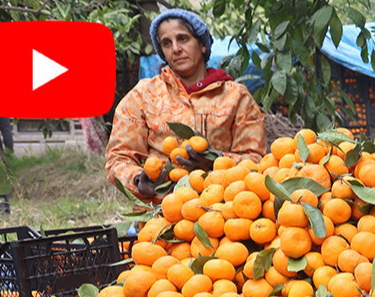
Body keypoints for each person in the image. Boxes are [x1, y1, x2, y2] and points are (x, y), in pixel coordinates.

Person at [105, 9, 264, 200]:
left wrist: (215, 162)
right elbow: (118, 157)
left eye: (183, 39)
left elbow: (256, 161)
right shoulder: (143, 95)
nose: (176, 49)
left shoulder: (235, 96)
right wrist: (138, 180)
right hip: (160, 215)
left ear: (202, 45)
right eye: (166, 43)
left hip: (220, 213)